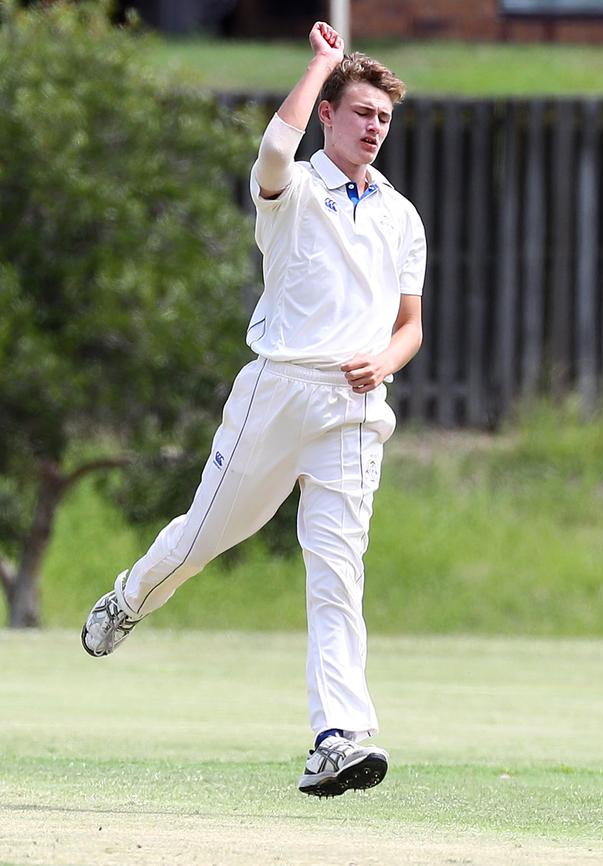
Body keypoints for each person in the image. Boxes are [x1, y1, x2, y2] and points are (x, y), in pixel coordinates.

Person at [81, 21, 426, 798]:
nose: (374, 128)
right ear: (329, 115)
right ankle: (131, 595)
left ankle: (337, 738)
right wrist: (322, 66)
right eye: (361, 113)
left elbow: (411, 326)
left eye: (384, 119)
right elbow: (274, 149)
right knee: (204, 538)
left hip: (355, 409)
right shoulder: (294, 190)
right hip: (277, 391)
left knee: (338, 576)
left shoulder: (401, 217)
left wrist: (386, 360)